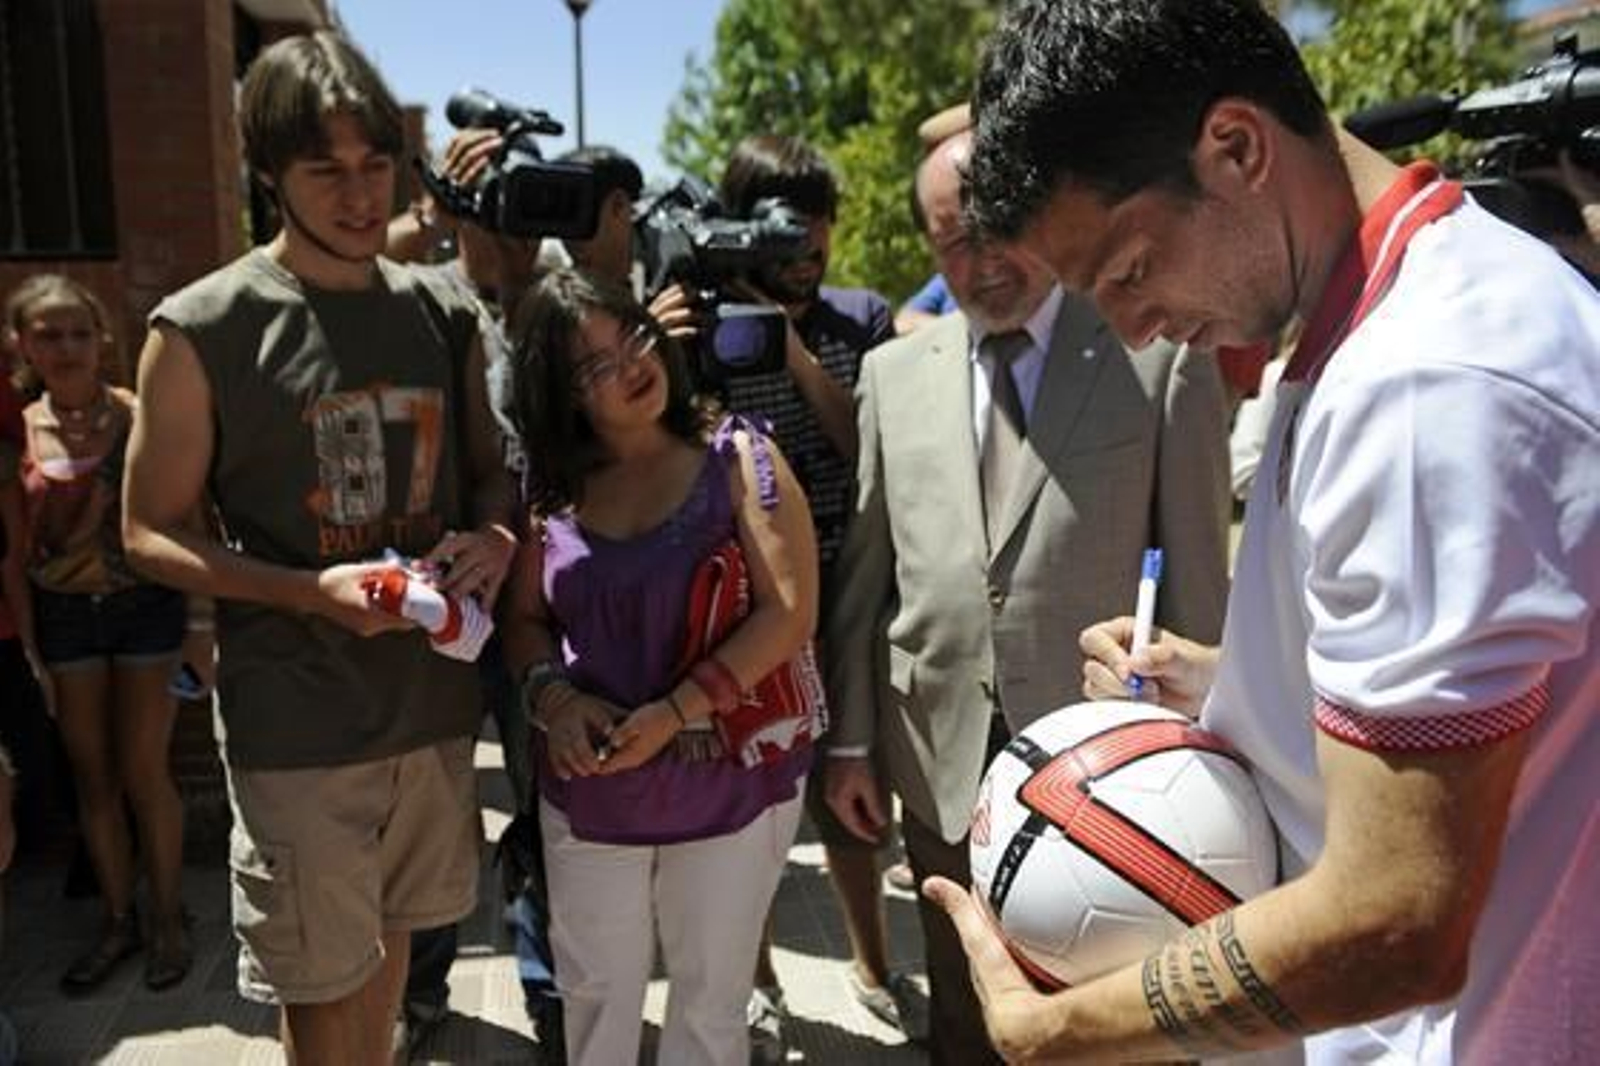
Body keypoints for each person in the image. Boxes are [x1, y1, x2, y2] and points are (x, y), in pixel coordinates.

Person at [928, 1, 1600, 1062]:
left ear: (1235, 148)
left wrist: (1060, 1027)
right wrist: (1239, 678)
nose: (1136, 329)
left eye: (1129, 271)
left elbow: (1396, 923)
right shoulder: (1367, 328)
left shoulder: (1425, 384)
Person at [122, 32, 516, 1065]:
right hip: (298, 726)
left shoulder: (442, 308)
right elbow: (145, 532)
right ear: (267, 175)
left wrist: (499, 535)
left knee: (383, 980)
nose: (356, 195)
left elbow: (492, 472)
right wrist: (306, 589)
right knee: (318, 990)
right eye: (323, 170)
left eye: (374, 165)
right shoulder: (203, 326)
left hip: (429, 715)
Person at [824, 126, 1232, 1065]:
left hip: (1113, 769)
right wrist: (851, 742)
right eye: (949, 240)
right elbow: (867, 582)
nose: (979, 260)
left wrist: (1218, 751)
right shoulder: (891, 376)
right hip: (939, 760)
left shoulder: (1155, 352)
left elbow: (1204, 580)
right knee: (963, 1000)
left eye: (996, 227)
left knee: (1108, 1011)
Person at [500, 268, 818, 1065]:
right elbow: (526, 619)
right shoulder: (549, 488)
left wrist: (675, 712)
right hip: (590, 789)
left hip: (727, 787)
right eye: (592, 366)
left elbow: (788, 615)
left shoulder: (739, 456)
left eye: (633, 337)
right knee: (596, 1005)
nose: (629, 367)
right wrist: (553, 702)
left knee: (710, 1012)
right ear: (562, 394)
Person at [714, 133, 913, 1055]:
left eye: (817, 228)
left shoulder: (859, 319)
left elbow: (863, 450)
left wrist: (791, 349)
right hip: (735, 610)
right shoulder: (700, 327)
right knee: (748, 811)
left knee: (853, 795)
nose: (804, 251)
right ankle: (755, 979)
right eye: (781, 230)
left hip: (845, 598)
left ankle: (874, 963)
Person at [5, 275, 205, 995]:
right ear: (22, 343)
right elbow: (13, 550)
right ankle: (118, 920)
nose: (65, 348)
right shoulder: (18, 427)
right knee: (93, 779)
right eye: (48, 334)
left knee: (145, 771)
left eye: (78, 332)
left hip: (143, 605)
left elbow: (188, 518)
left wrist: (201, 629)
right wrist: (32, 650)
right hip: (62, 618)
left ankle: (169, 918)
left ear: (103, 338)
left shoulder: (137, 414)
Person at [556, 144, 645, 294]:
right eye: (562, 222)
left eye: (579, 220)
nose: (572, 243)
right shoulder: (560, 295)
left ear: (619, 206)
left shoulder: (660, 271)